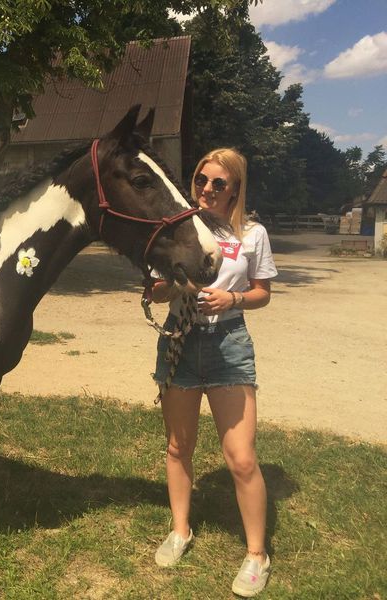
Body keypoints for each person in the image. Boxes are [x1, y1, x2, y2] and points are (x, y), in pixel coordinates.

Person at [151, 148, 278, 597]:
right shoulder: (177, 228)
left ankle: (257, 555)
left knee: (241, 458)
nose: (206, 189)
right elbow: (156, 290)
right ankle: (180, 530)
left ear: (235, 188)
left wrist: (233, 298)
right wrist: (168, 287)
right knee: (178, 447)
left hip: (229, 344)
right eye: (201, 180)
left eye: (218, 183)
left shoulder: (252, 234)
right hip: (181, 340)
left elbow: (263, 292)